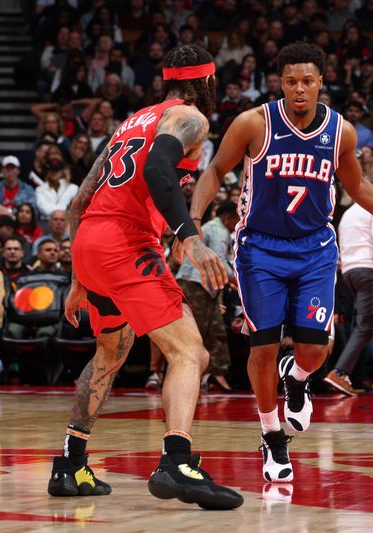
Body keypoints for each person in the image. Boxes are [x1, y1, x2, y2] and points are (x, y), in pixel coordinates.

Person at [48, 44, 243, 509]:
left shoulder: (132, 119)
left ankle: (71, 461)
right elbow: (157, 167)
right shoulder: (190, 118)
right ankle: (177, 459)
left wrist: (79, 277)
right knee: (190, 352)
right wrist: (189, 236)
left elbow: (80, 199)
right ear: (206, 82)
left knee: (110, 353)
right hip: (127, 243)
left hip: (91, 243)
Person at [191, 42, 373, 483]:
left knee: (316, 349)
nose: (299, 89)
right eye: (290, 81)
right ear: (279, 82)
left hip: (315, 248)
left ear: (322, 82)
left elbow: (357, 187)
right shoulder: (253, 123)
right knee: (262, 346)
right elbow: (214, 171)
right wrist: (191, 223)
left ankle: (298, 378)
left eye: (307, 81)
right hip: (260, 250)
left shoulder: (341, 132)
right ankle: (271, 436)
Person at [324, 172, 373, 396]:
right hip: (367, 271)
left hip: (350, 273)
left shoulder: (347, 215)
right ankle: (340, 372)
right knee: (366, 324)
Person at [175, 201, 238, 392]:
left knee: (216, 331)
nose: (237, 224)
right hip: (194, 285)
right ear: (228, 218)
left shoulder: (213, 228)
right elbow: (218, 262)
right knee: (197, 332)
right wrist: (237, 280)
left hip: (205, 286)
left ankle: (211, 374)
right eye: (236, 220)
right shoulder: (219, 230)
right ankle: (186, 375)